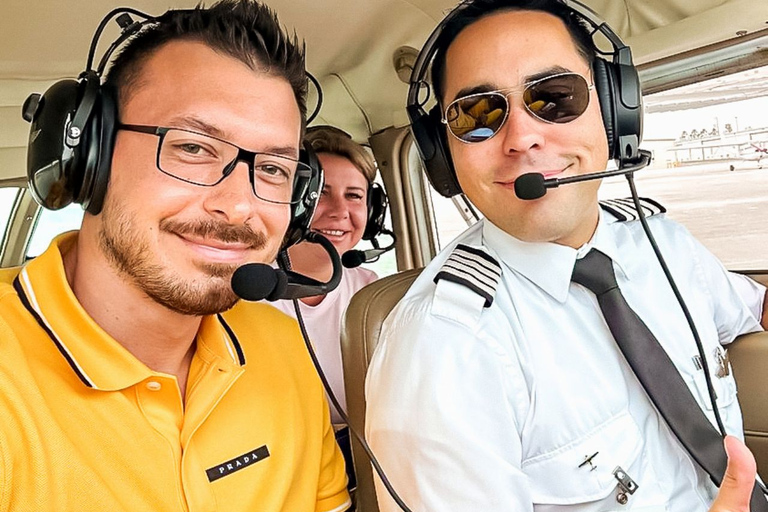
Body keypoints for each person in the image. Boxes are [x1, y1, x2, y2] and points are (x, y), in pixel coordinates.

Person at [365, 0, 767, 511]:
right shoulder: (441, 352)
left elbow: (752, 309)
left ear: (615, 107)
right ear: (442, 155)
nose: (523, 138)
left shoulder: (659, 240)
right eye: (476, 115)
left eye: (555, 98)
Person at [0, 2, 351, 511]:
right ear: (87, 157)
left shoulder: (281, 344)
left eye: (274, 168)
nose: (237, 205)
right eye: (193, 147)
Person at [271, 125, 379, 424]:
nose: (340, 211)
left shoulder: (373, 295)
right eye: (321, 194)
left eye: (354, 195)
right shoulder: (245, 288)